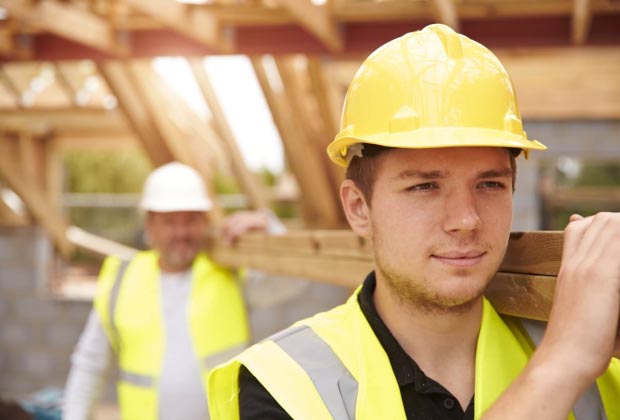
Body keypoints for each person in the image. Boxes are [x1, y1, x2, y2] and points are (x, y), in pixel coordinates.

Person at [207, 24, 620, 419]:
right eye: (424, 187)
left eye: (490, 184)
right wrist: (562, 365)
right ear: (358, 209)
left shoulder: (604, 363)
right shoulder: (284, 386)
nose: (465, 220)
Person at [63, 161, 281, 420]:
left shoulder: (230, 273)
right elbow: (90, 365)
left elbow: (291, 279)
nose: (181, 232)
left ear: (204, 222)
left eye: (191, 220)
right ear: (150, 226)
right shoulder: (122, 279)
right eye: (170, 222)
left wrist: (269, 226)